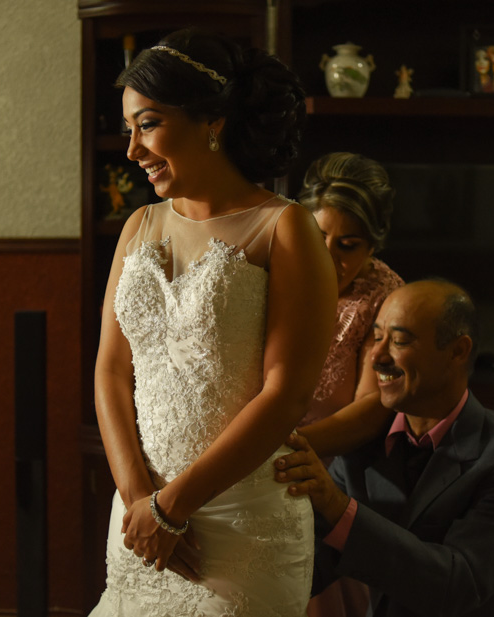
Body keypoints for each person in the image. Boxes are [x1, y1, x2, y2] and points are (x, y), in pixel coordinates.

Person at [91, 27, 337, 617]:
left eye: (147, 125)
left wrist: (174, 507)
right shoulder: (138, 227)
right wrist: (138, 502)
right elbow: (110, 370)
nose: (132, 151)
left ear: (212, 121)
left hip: (243, 526)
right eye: (128, 129)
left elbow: (286, 394)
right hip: (140, 519)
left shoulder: (285, 229)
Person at [275, 279, 494, 617]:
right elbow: (304, 569)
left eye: (399, 341)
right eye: (377, 337)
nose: (377, 357)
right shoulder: (363, 448)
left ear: (458, 351)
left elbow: (456, 585)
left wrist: (339, 508)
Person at [295, 152, 404, 617]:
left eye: (348, 245)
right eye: (318, 237)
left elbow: (371, 408)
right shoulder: (275, 270)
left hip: (330, 473)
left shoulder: (387, 298)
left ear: (373, 245)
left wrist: (282, 451)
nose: (328, 256)